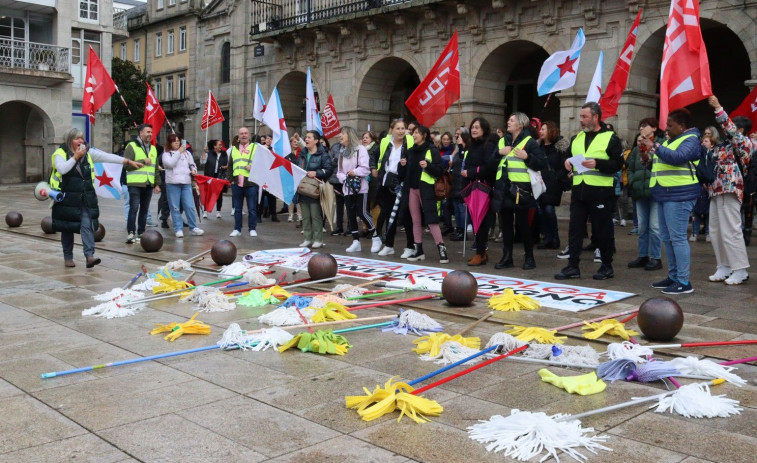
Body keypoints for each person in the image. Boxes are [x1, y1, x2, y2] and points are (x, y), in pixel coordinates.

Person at [50, 128, 143, 267]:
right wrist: (75, 157)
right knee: (67, 227)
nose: (80, 141)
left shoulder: (88, 153)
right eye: (77, 139)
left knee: (87, 225)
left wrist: (128, 162)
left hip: (85, 197)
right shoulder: (60, 153)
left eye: (81, 138)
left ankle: (89, 256)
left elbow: (107, 157)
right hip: (67, 198)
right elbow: (62, 169)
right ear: (70, 141)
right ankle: (68, 257)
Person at [555, 102, 623, 281]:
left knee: (602, 231)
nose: (581, 120)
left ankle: (607, 266)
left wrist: (598, 163)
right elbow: (567, 158)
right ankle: (572, 266)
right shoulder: (577, 138)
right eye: (580, 117)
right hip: (579, 191)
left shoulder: (610, 138)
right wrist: (566, 163)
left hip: (600, 191)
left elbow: (618, 164)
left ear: (595, 117)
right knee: (575, 230)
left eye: (585, 117)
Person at [638, 108, 701, 294]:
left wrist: (655, 146)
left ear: (682, 126)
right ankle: (673, 277)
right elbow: (657, 164)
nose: (666, 128)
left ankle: (684, 281)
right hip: (665, 193)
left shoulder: (691, 139)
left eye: (670, 125)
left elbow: (678, 158)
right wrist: (645, 155)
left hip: (680, 194)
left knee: (678, 238)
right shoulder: (669, 141)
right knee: (667, 238)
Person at [705, 95, 752, 285]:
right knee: (716, 231)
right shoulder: (722, 146)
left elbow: (729, 129)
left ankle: (739, 269)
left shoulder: (743, 143)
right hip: (715, 191)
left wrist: (718, 107)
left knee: (731, 231)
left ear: (740, 130)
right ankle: (723, 266)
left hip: (730, 190)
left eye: (733, 126)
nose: (727, 129)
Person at [492, 112, 546, 270]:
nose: (508, 122)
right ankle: (507, 257)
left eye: (511, 120)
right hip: (503, 188)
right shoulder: (503, 141)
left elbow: (541, 164)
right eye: (508, 119)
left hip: (521, 190)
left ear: (520, 125)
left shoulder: (530, 142)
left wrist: (526, 156)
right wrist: (498, 153)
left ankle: (529, 257)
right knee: (506, 225)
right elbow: (491, 162)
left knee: (523, 225)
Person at [401, 125, 449, 263]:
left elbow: (440, 170)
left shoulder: (432, 149)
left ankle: (442, 249)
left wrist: (428, 166)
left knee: (431, 219)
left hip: (426, 189)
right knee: (416, 220)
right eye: (413, 132)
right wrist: (402, 165)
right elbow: (402, 173)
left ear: (424, 135)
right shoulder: (410, 151)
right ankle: (418, 250)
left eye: (416, 133)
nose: (413, 135)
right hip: (412, 189)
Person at [626, 117, 665, 271]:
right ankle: (643, 255)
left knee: (655, 227)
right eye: (640, 126)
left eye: (645, 126)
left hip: (655, 190)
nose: (641, 129)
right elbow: (630, 168)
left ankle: (656, 258)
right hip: (639, 190)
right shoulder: (636, 149)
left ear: (654, 128)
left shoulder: (660, 145)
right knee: (642, 226)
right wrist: (632, 181)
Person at [375, 119, 414, 256]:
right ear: (392, 129)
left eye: (403, 128)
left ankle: (411, 247)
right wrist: (374, 169)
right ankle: (389, 245)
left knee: (406, 216)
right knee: (388, 215)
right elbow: (375, 156)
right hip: (387, 183)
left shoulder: (410, 142)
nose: (401, 131)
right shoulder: (386, 142)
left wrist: (407, 163)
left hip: (403, 183)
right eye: (398, 128)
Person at [336, 126, 378, 252]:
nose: (340, 136)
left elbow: (365, 168)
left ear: (349, 135)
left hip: (360, 188)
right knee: (350, 214)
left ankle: (376, 236)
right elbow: (339, 172)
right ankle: (355, 241)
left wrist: (354, 172)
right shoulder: (342, 152)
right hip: (348, 188)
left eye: (342, 134)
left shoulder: (361, 150)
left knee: (362, 212)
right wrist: (344, 178)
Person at [463, 117, 497, 266]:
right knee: (476, 221)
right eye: (472, 127)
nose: (474, 130)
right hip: (473, 188)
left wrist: (470, 173)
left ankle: (480, 253)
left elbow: (488, 168)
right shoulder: (471, 146)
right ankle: (481, 252)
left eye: (477, 127)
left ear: (484, 129)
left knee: (481, 221)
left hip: (484, 187)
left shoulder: (488, 146)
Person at [124, 123, 161, 244]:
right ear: (141, 133)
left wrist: (157, 184)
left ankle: (141, 233)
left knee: (144, 210)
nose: (150, 134)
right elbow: (126, 165)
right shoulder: (131, 146)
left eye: (151, 132)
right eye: (147, 132)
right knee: (134, 208)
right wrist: (143, 161)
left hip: (148, 184)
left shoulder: (153, 149)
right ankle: (131, 232)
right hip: (135, 183)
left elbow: (155, 168)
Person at [162, 134, 204, 238]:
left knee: (189, 206)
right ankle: (178, 228)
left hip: (186, 182)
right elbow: (170, 164)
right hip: (173, 183)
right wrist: (178, 152)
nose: (177, 142)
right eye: (174, 141)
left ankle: (193, 227)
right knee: (175, 207)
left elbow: (192, 164)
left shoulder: (187, 154)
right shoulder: (167, 154)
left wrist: (193, 170)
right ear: (170, 143)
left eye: (178, 140)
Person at [536, 121, 570, 250]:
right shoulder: (538, 146)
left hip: (553, 185)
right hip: (540, 183)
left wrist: (557, 177)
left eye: (544, 129)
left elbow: (564, 166)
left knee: (549, 209)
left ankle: (554, 238)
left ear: (551, 130)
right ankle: (547, 237)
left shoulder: (559, 147)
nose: (541, 131)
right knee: (540, 210)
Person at [297, 130, 333, 248]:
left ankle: (318, 239)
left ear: (316, 141)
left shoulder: (323, 154)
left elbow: (329, 169)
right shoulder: (303, 153)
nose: (306, 139)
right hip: (303, 188)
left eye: (309, 137)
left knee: (315, 216)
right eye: (305, 137)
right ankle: (307, 238)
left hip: (315, 189)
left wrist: (316, 173)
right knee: (306, 216)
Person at [228, 127, 259, 237]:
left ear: (249, 135)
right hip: (237, 183)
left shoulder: (255, 147)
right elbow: (230, 165)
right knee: (237, 209)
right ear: (238, 136)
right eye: (241, 133)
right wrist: (231, 180)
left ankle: (252, 228)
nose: (244, 135)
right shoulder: (234, 149)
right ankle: (237, 229)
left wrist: (253, 167)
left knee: (252, 208)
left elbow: (262, 164)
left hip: (251, 182)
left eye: (246, 133)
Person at [691, 135, 713, 242]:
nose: (703, 143)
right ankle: (694, 232)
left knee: (708, 212)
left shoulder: (712, 155)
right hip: (698, 186)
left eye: (706, 141)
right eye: (702, 141)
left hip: (708, 187)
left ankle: (708, 233)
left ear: (712, 144)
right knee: (696, 211)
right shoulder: (698, 155)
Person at [449, 131, 470, 241]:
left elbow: (463, 160)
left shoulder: (465, 151)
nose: (457, 138)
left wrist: (461, 146)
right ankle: (459, 229)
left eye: (459, 137)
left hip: (462, 182)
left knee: (462, 209)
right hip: (455, 182)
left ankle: (463, 230)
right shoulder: (457, 151)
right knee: (456, 209)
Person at [201, 139, 229, 218]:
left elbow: (227, 163)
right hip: (209, 175)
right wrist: (203, 154)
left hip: (220, 176)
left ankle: (218, 211)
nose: (221, 146)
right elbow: (202, 162)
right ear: (214, 146)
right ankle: (205, 211)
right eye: (219, 145)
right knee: (208, 194)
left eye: (221, 145)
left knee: (219, 194)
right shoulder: (209, 153)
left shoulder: (224, 154)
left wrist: (226, 167)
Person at [328, 138, 346, 235]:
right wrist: (337, 160)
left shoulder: (352, 147)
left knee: (349, 204)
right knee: (339, 204)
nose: (341, 137)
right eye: (340, 135)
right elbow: (331, 161)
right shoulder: (335, 146)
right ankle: (339, 227)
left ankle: (351, 228)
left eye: (343, 135)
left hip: (348, 180)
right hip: (337, 179)